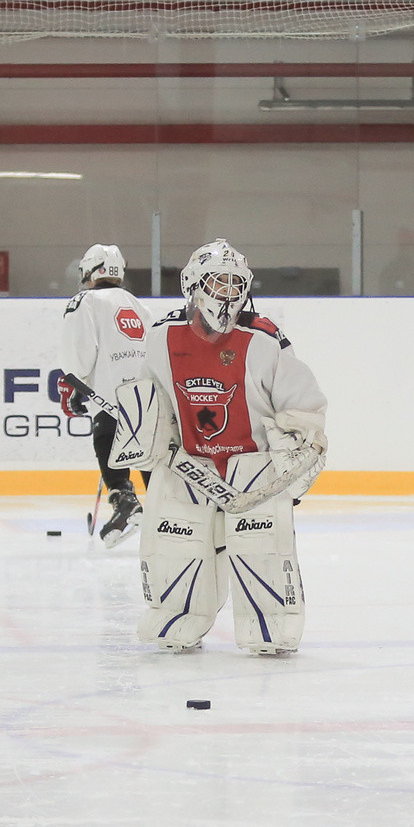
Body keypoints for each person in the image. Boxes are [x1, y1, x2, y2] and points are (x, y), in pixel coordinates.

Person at [108, 239, 327, 655]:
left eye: (235, 283)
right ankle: (177, 618)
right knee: (175, 545)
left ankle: (271, 625)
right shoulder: (161, 337)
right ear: (193, 283)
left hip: (253, 468)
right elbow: (152, 399)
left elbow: (301, 403)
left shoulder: (263, 340)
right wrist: (147, 435)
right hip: (190, 463)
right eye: (218, 281)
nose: (227, 292)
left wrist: (297, 452)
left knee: (261, 550)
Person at [59, 242, 150, 545]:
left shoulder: (85, 301)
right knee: (151, 457)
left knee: (108, 437)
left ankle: (124, 499)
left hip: (111, 399)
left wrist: (74, 386)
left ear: (89, 270)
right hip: (148, 397)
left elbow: (79, 355)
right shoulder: (141, 307)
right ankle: (167, 512)